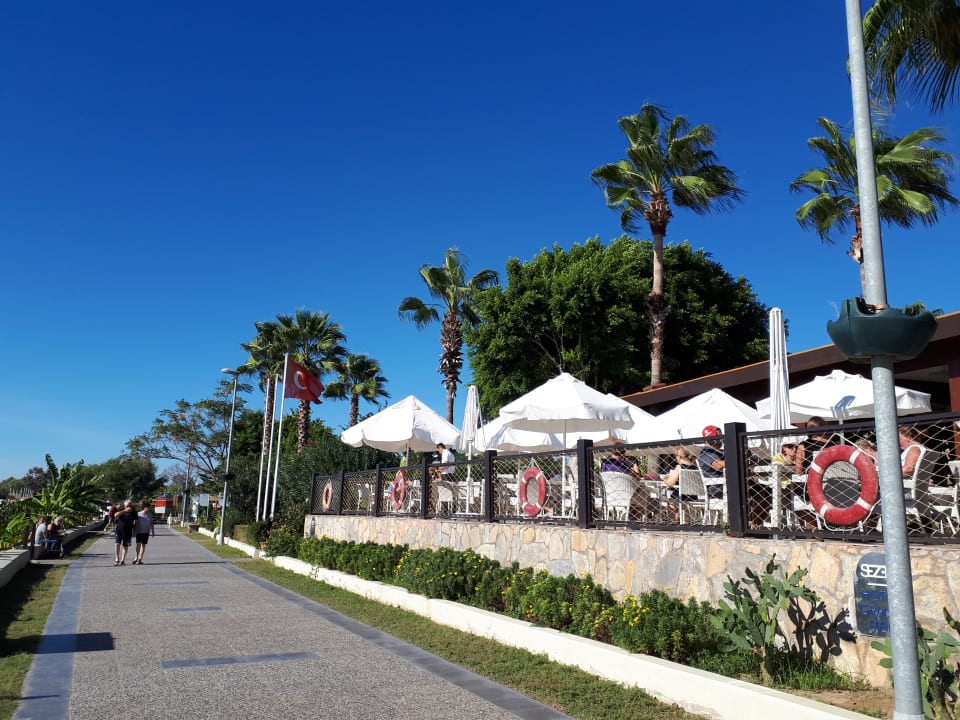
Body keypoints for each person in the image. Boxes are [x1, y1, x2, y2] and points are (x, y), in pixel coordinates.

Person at [697, 425, 725, 498]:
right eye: (719, 437)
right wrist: (736, 459)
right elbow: (718, 465)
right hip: (718, 489)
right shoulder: (706, 453)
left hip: (729, 484)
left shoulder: (719, 451)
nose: (722, 439)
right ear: (712, 439)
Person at [113, 501, 137, 566]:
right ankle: (117, 559)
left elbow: (136, 522)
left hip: (128, 531)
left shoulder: (134, 512)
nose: (129, 507)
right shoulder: (121, 511)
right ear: (124, 506)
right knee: (117, 544)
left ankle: (123, 560)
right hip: (119, 531)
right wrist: (124, 511)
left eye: (130, 505)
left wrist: (135, 531)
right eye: (127, 506)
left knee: (125, 546)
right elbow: (115, 515)